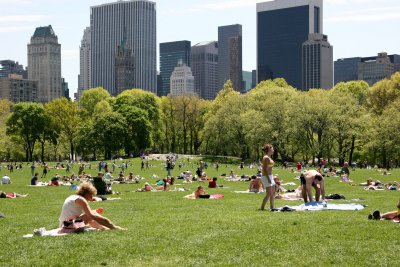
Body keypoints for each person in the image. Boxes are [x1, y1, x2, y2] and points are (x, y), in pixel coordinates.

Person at [58, 182, 124, 230]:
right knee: (92, 215)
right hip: (67, 226)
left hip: (65, 225)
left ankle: (105, 228)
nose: (92, 197)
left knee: (92, 214)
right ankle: (113, 227)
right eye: (91, 195)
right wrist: (111, 225)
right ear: (86, 193)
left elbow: (88, 216)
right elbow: (91, 216)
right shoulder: (81, 200)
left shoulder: (73, 197)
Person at [260, 144, 277, 211]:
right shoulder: (266, 158)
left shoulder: (268, 157)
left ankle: (272, 207)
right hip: (266, 176)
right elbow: (264, 169)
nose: (273, 150)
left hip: (270, 176)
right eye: (272, 148)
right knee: (268, 193)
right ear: (269, 149)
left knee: (273, 192)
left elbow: (264, 165)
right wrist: (268, 178)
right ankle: (262, 207)